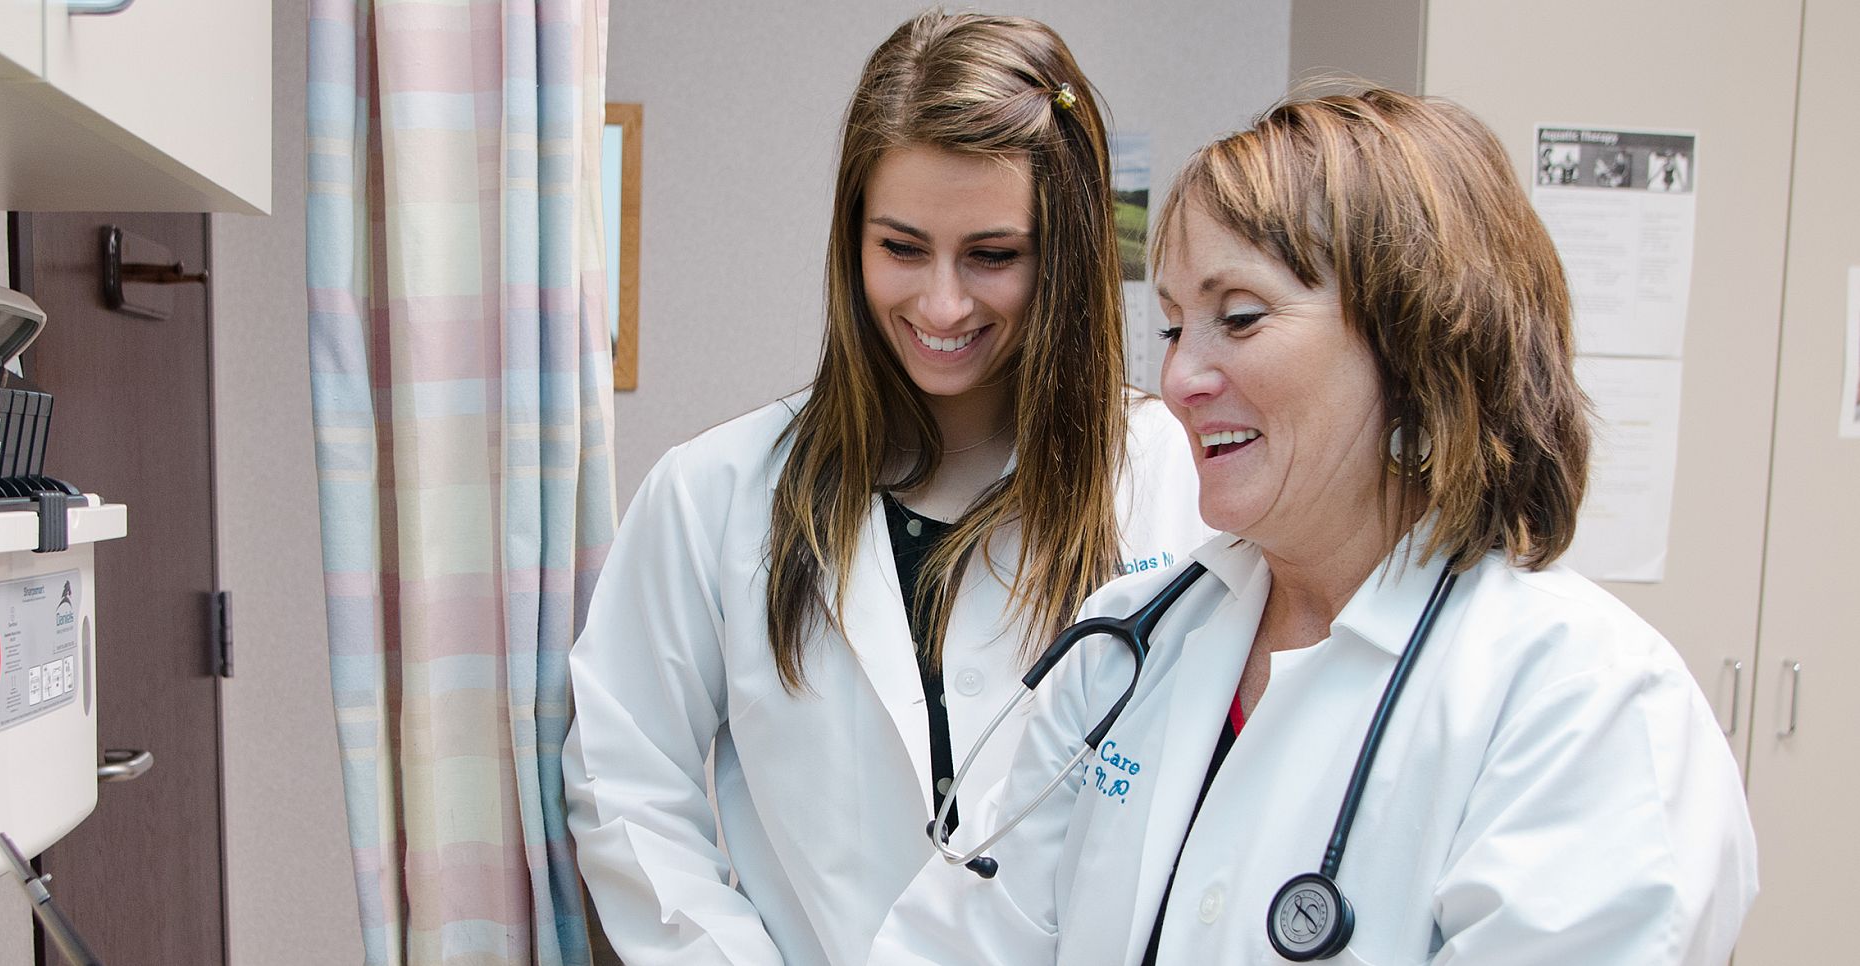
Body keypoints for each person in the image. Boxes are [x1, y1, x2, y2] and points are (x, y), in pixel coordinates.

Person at [868, 87, 1757, 965]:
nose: (1179, 380)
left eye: (1240, 318)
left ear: (1417, 341)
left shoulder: (1583, 705)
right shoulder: (1129, 646)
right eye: (1175, 328)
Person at [562, 11, 1209, 966]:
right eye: (902, 248)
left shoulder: (1166, 476)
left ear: (1064, 256)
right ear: (851, 240)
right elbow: (625, 781)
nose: (942, 305)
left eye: (992, 256)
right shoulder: (717, 493)